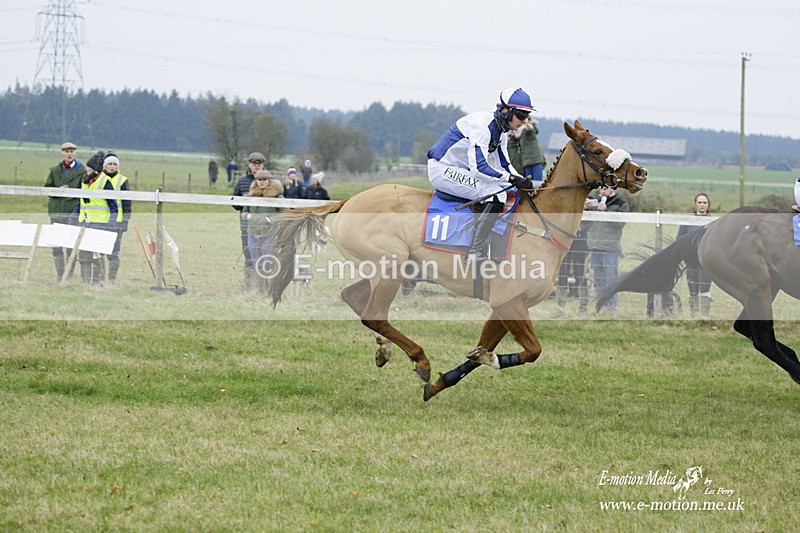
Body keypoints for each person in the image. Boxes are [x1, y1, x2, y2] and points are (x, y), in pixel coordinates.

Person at [427, 87, 534, 265]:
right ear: (506, 111)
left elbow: (505, 165)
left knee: (507, 189)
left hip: (460, 169)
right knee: (497, 194)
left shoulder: (501, 132)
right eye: (521, 115)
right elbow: (479, 168)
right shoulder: (484, 127)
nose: (524, 121)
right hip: (442, 169)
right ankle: (475, 251)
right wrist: (511, 179)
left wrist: (521, 180)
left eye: (527, 116)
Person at [74, 152, 118, 285]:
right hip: (84, 222)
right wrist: (74, 216)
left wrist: (111, 223)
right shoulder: (85, 181)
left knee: (97, 254)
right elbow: (82, 202)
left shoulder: (105, 182)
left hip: (99, 223)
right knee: (84, 253)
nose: (86, 169)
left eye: (89, 168)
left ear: (95, 170)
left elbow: (113, 206)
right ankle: (85, 281)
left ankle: (97, 281)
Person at [44, 141, 86, 282]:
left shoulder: (82, 171)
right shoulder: (55, 171)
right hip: (56, 211)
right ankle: (59, 275)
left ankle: (68, 276)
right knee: (56, 245)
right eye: (67, 151)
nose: (69, 154)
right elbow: (47, 189)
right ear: (62, 153)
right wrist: (58, 190)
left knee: (70, 245)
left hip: (72, 212)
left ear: (75, 153)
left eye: (72, 151)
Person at [585, 185, 629, 314]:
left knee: (610, 279)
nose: (602, 191)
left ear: (613, 189)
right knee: (598, 279)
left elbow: (620, 223)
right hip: (595, 246)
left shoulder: (622, 204)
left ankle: (611, 308)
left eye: (605, 189)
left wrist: (606, 211)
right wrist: (586, 208)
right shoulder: (595, 203)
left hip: (610, 248)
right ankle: (601, 306)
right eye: (601, 189)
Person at [242, 170, 283, 292]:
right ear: (256, 181)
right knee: (255, 261)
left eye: (264, 180)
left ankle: (271, 287)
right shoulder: (251, 196)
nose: (262, 182)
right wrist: (247, 216)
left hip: (270, 232)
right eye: (259, 180)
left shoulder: (277, 196)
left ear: (269, 181)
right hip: (253, 232)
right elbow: (243, 212)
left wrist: (270, 219)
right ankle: (260, 288)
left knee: (267, 259)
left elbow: (285, 213)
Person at [676, 193, 713, 317]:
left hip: (707, 263)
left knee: (705, 289)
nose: (702, 205)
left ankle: (704, 316)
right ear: (695, 204)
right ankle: (693, 315)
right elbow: (679, 240)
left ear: (708, 205)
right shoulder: (688, 221)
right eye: (699, 202)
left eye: (704, 203)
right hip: (691, 262)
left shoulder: (714, 222)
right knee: (693, 290)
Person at [232, 152, 265, 285]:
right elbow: (234, 203)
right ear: (249, 165)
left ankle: (264, 285)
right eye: (254, 163)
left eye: (259, 164)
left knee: (264, 256)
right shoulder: (241, 182)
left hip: (265, 227)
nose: (256, 166)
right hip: (247, 226)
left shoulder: (270, 182)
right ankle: (248, 285)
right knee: (249, 256)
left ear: (263, 165)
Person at [102, 153, 132, 285]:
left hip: (117, 221)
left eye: (115, 164)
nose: (112, 167)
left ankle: (112, 280)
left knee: (114, 253)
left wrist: (125, 220)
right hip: (101, 220)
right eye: (110, 164)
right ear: (105, 166)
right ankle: (100, 278)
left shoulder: (122, 180)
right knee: (100, 250)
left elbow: (127, 204)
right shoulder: (99, 179)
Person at [555, 220, 591, 314]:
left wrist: (579, 228)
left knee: (579, 273)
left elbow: (590, 222)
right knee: (563, 273)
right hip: (565, 241)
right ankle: (560, 306)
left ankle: (583, 307)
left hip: (579, 243)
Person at [507, 117, 547, 186]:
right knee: (528, 183)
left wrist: (527, 124)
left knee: (538, 182)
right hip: (526, 161)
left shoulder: (528, 129)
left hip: (535, 160)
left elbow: (530, 129)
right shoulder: (518, 134)